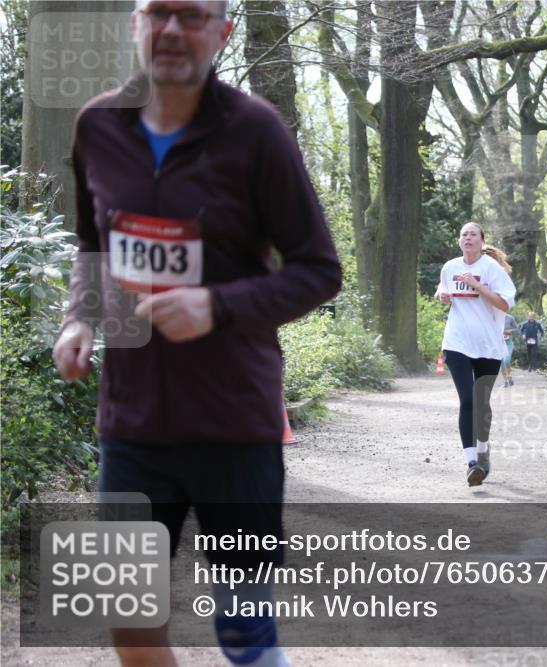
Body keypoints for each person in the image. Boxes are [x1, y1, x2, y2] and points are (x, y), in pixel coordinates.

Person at [51, 1, 342, 665]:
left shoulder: (256, 130)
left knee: (243, 631)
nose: (172, 30)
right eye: (159, 13)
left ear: (223, 32)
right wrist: (79, 316)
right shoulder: (98, 125)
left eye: (191, 16)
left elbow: (319, 270)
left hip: (232, 423)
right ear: (136, 23)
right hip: (131, 423)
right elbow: (92, 242)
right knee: (128, 618)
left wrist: (217, 305)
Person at [436, 223, 516, 486]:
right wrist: (441, 295)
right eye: (464, 234)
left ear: (482, 241)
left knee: (481, 403)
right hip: (456, 343)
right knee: (468, 400)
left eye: (473, 234)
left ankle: (483, 451)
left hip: (488, 345)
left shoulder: (491, 269)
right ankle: (472, 463)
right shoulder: (450, 267)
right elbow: (442, 288)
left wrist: (477, 285)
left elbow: (504, 304)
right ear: (459, 241)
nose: (468, 237)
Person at [500, 312, 519, 387]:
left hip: (508, 343)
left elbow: (517, 329)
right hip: (499, 343)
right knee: (501, 363)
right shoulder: (494, 316)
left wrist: (510, 331)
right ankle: (506, 381)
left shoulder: (510, 318)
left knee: (506, 360)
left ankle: (509, 376)